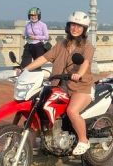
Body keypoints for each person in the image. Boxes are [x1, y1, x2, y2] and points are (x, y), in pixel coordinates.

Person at [21, 11, 95, 155]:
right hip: (59, 85)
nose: (75, 28)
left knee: (72, 111)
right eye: (73, 25)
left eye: (79, 26)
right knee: (39, 107)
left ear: (84, 29)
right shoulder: (61, 44)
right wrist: (25, 69)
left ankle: (83, 140)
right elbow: (44, 58)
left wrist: (79, 74)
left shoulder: (87, 46)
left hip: (80, 87)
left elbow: (85, 62)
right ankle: (32, 146)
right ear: (68, 27)